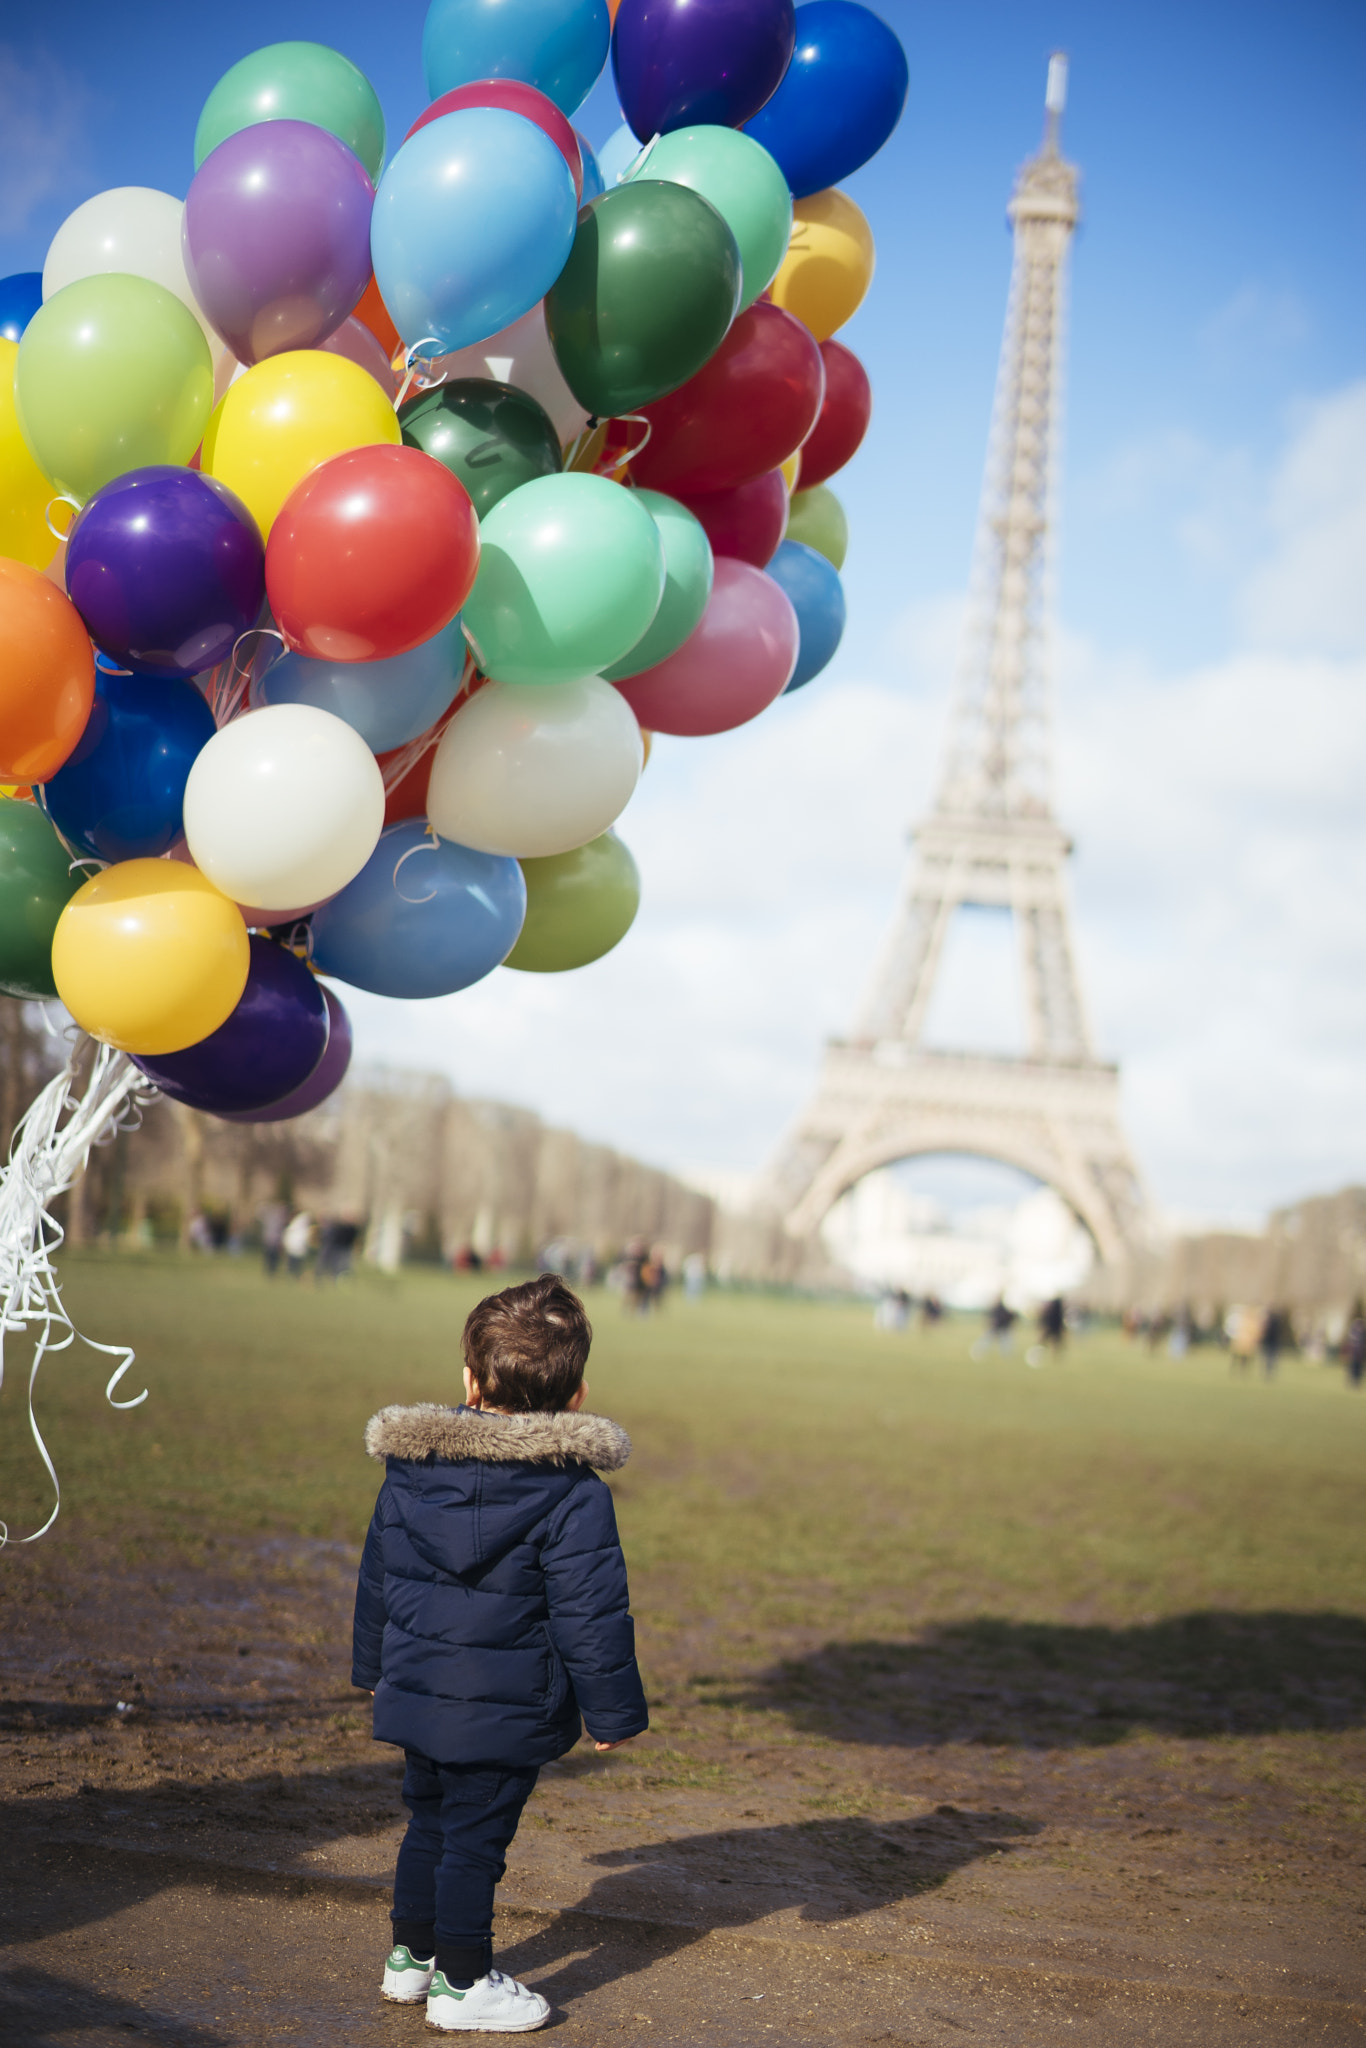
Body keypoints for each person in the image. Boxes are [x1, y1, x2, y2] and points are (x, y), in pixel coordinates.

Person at [352, 1273, 648, 2033]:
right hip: (507, 1708)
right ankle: (460, 1982)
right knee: (474, 1843)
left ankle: (409, 1961)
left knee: (430, 1824)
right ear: (576, 1396)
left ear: (469, 1380)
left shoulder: (410, 1471)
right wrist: (612, 1712)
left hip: (418, 1691)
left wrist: (372, 1668)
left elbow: (377, 1577)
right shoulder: (574, 1495)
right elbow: (593, 1615)